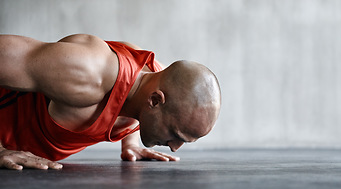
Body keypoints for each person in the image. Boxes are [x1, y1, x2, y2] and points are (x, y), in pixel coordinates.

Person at [0, 34, 221, 170]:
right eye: (175, 135)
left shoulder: (154, 80)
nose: (174, 148)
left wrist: (131, 143)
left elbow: (131, 98)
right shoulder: (86, 72)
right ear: (155, 100)